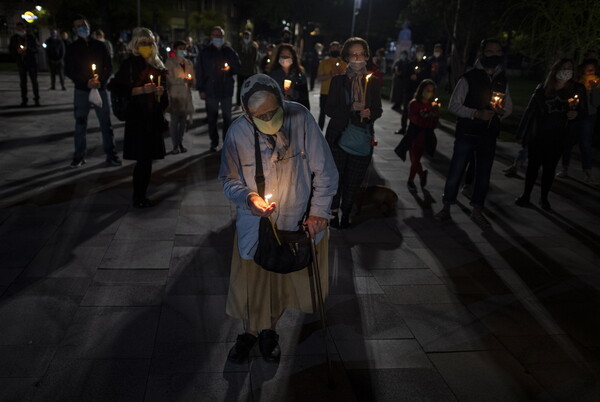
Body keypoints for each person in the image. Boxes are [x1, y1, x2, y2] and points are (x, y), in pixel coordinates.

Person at [219, 74, 338, 363]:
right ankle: (252, 331)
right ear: (248, 113)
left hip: (298, 222)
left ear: (281, 101)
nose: (268, 118)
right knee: (254, 283)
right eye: (260, 115)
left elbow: (326, 171)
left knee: (281, 283)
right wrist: (249, 198)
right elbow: (228, 180)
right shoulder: (238, 132)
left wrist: (320, 212)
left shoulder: (301, 117)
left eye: (273, 111)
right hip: (257, 225)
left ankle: (268, 330)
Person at [434, 38, 512, 226]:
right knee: (457, 170)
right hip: (468, 132)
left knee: (483, 174)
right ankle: (446, 206)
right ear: (482, 53)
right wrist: (475, 113)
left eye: (497, 52)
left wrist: (501, 112)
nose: (494, 55)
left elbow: (508, 107)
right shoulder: (469, 77)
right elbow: (454, 105)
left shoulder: (502, 79)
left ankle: (477, 209)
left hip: (489, 134)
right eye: (489, 51)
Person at [325, 37, 383, 229]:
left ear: (366, 56)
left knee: (354, 178)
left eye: (361, 54)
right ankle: (332, 212)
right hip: (338, 135)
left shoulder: (372, 82)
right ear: (347, 57)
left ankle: (346, 212)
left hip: (361, 136)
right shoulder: (338, 81)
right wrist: (350, 108)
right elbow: (329, 110)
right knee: (336, 176)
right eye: (353, 54)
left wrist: (370, 113)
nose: (358, 58)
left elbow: (378, 109)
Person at [515, 59, 584, 210]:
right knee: (533, 166)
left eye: (570, 68)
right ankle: (526, 195)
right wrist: (522, 133)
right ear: (556, 70)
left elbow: (583, 112)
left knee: (550, 168)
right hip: (539, 134)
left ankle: (544, 198)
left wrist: (575, 114)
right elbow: (530, 112)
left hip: (559, 135)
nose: (567, 71)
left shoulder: (577, 89)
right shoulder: (543, 88)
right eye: (563, 68)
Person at [111, 27, 168, 208]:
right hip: (138, 119)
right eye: (143, 43)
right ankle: (139, 196)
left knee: (148, 159)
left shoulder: (158, 64)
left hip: (153, 117)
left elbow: (164, 98)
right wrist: (141, 90)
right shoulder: (129, 64)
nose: (147, 46)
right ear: (136, 44)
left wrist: (161, 92)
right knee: (143, 160)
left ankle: (141, 194)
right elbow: (117, 88)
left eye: (150, 43)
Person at [65, 14, 121, 168]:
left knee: (106, 124)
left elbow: (108, 67)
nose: (82, 28)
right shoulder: (72, 48)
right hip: (82, 91)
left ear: (89, 26)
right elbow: (69, 70)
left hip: (100, 90)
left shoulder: (100, 46)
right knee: (80, 124)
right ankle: (79, 156)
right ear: (74, 29)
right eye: (78, 26)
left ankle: (111, 154)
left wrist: (99, 81)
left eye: (84, 25)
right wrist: (85, 82)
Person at [196, 26, 241, 152]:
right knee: (212, 118)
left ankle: (226, 142)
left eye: (220, 35)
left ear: (223, 37)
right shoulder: (205, 52)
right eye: (215, 35)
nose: (218, 38)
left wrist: (230, 69)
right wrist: (201, 89)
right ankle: (214, 142)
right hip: (210, 89)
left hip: (226, 89)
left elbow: (237, 67)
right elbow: (199, 71)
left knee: (227, 117)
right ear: (211, 37)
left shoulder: (229, 51)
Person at [557, 59, 600, 184]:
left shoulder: (597, 83)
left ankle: (587, 172)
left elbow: (596, 103)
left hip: (588, 117)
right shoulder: (576, 83)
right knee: (568, 142)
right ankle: (564, 168)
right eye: (588, 70)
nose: (590, 72)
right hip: (574, 115)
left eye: (593, 70)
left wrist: (594, 90)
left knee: (585, 144)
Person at [396, 79, 439, 192]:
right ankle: (419, 175)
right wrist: (425, 116)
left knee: (416, 160)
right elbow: (413, 118)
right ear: (421, 90)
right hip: (414, 135)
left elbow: (434, 123)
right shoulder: (414, 103)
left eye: (431, 90)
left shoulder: (432, 105)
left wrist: (433, 115)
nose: (429, 92)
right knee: (414, 160)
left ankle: (411, 180)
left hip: (424, 137)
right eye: (427, 90)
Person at [165, 40, 195, 154]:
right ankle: (175, 145)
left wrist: (191, 81)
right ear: (175, 49)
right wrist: (182, 80)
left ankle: (180, 142)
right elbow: (169, 78)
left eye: (184, 48)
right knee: (174, 121)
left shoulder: (188, 63)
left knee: (183, 122)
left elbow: (193, 78)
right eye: (180, 48)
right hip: (175, 95)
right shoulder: (170, 62)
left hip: (186, 96)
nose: (183, 51)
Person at [395, 45, 431, 134]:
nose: (420, 53)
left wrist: (419, 76)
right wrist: (410, 77)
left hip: (420, 91)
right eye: (418, 51)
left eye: (422, 51)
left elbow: (428, 78)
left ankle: (414, 129)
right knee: (406, 110)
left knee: (418, 111)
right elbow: (404, 75)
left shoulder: (426, 65)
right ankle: (403, 128)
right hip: (409, 90)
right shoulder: (410, 64)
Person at [268, 44, 310, 110]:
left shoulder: (299, 76)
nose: (285, 57)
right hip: (277, 112)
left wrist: (293, 93)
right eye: (282, 55)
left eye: (288, 55)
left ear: (293, 57)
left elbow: (304, 97)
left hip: (294, 111)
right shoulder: (272, 75)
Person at [9, 22, 40, 107]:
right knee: (23, 82)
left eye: (20, 29)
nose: (18, 30)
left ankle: (36, 99)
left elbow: (37, 48)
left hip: (31, 62)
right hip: (21, 62)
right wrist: (17, 52)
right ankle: (24, 100)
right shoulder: (14, 38)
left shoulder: (31, 37)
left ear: (24, 29)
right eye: (17, 29)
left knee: (34, 82)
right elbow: (11, 49)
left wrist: (28, 49)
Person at [316, 41, 346, 129]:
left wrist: (340, 74)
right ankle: (319, 132)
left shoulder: (344, 63)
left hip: (338, 93)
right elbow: (319, 78)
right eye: (333, 48)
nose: (335, 50)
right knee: (322, 113)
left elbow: (347, 79)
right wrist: (331, 74)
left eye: (337, 48)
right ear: (329, 50)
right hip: (325, 92)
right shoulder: (324, 62)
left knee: (337, 115)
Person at [235, 31, 258, 106]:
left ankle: (248, 102)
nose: (246, 38)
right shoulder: (239, 47)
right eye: (245, 37)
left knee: (249, 88)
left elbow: (255, 60)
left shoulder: (253, 48)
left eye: (248, 37)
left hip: (250, 71)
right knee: (240, 87)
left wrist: (254, 69)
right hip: (241, 71)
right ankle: (238, 102)